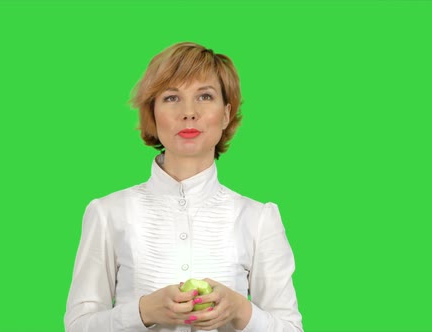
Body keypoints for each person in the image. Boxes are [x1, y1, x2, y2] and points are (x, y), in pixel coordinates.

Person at [64, 42, 303, 332]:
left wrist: (241, 311)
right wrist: (142, 312)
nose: (189, 112)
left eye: (205, 95)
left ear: (226, 114)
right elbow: (77, 326)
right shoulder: (107, 213)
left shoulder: (259, 218)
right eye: (171, 97)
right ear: (152, 114)